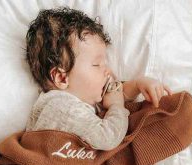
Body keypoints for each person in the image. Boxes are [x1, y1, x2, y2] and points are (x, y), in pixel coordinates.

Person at [25, 6, 172, 150]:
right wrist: (116, 107)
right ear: (62, 78)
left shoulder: (82, 96)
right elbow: (107, 138)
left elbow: (113, 94)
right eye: (96, 65)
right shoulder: (59, 107)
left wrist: (138, 85)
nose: (107, 71)